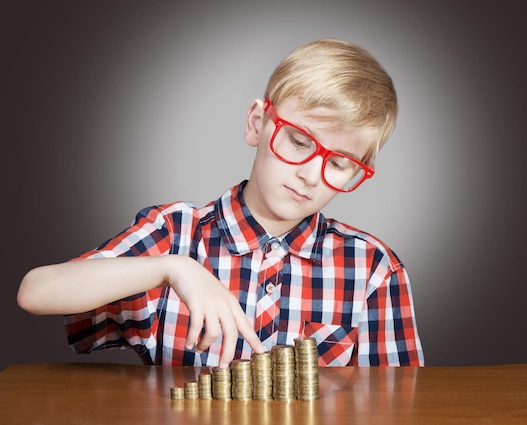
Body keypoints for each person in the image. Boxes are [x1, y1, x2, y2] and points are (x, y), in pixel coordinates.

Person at [17, 38, 424, 369]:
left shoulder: (372, 268)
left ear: (359, 172)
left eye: (338, 163)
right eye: (299, 142)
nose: (311, 174)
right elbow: (36, 291)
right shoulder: (174, 233)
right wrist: (171, 268)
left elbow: (400, 402)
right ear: (257, 124)